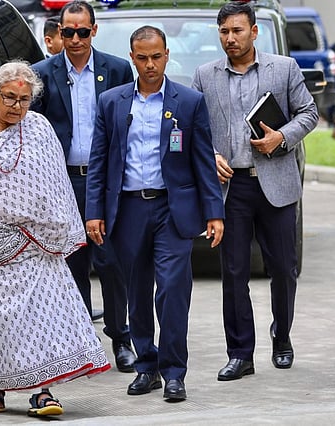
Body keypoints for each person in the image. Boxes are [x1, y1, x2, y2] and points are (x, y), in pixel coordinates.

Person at [0, 60, 110, 417]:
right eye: (9, 97)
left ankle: (42, 391)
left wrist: (56, 229)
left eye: (25, 99)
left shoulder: (40, 128)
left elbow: (55, 184)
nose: (17, 106)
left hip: (33, 242)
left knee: (39, 318)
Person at [86, 25, 225, 401]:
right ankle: (146, 366)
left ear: (167, 56)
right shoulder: (112, 102)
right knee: (137, 290)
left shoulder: (189, 101)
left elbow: (202, 161)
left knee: (173, 290)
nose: (150, 64)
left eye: (157, 57)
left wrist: (214, 212)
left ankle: (174, 371)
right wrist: (94, 211)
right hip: (128, 208)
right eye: (143, 58)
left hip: (172, 209)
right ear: (132, 58)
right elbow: (99, 161)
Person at [191, 1, 318, 382]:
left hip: (276, 183)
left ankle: (282, 337)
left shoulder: (284, 68)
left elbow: (309, 113)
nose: (230, 38)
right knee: (233, 273)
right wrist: (210, 155)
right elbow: (194, 126)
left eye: (237, 30)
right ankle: (240, 353)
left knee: (283, 268)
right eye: (224, 32)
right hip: (231, 187)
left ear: (254, 31)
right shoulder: (205, 75)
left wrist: (282, 137)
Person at [31, 0, 138, 374]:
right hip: (63, 181)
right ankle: (80, 345)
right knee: (72, 263)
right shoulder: (42, 73)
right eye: (68, 32)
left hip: (105, 181)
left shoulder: (117, 69)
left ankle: (121, 338)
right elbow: (32, 131)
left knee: (111, 261)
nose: (75, 39)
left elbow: (129, 124)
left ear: (94, 31)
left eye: (82, 32)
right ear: (59, 32)